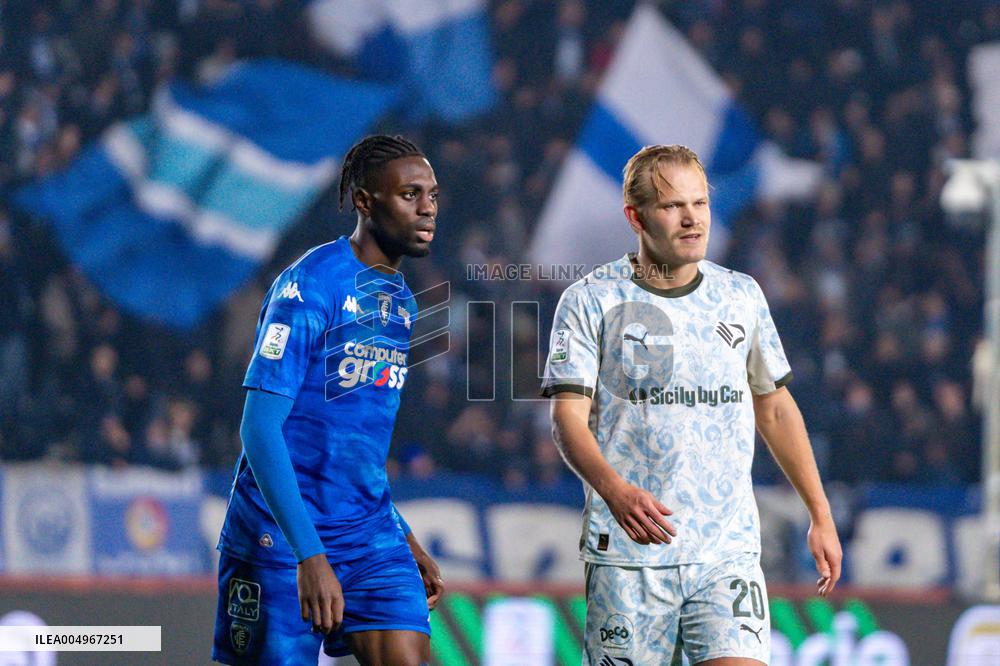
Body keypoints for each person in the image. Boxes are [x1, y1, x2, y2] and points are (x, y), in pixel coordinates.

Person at [541, 144, 842, 665]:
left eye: (700, 204)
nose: (691, 218)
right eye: (672, 206)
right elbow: (567, 418)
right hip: (630, 559)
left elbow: (774, 407)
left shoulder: (740, 296)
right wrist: (614, 491)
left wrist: (820, 512)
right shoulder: (591, 300)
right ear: (635, 216)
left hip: (726, 551)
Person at [213, 135, 443, 666]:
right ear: (365, 202)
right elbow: (259, 430)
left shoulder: (402, 304)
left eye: (431, 194)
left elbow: (355, 444)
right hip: (279, 539)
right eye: (410, 194)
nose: (428, 207)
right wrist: (308, 553)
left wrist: (401, 533)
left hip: (367, 534)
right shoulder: (308, 288)